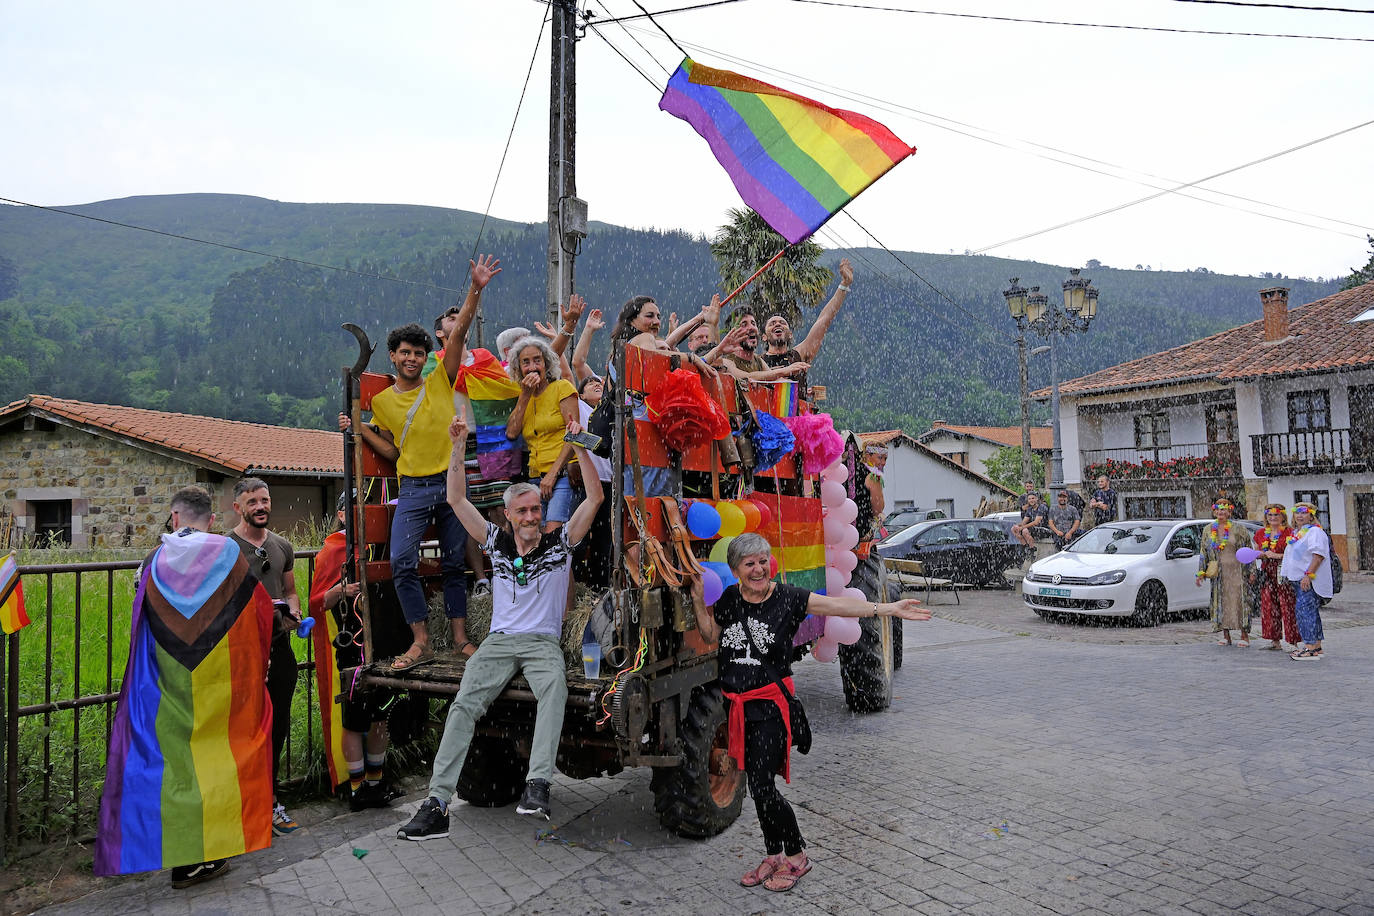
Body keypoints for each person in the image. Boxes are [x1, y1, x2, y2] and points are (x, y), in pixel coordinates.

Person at [396, 413, 603, 839]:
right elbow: (456, 500)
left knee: (554, 690)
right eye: (522, 510)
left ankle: (538, 784)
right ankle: (437, 804)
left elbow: (595, 498)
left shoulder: (559, 543)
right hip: (499, 642)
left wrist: (578, 446)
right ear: (508, 515)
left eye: (535, 509)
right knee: (464, 703)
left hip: (543, 643)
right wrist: (456, 446)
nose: (530, 516)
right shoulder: (495, 542)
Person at [690, 532, 929, 893]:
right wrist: (697, 602)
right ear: (736, 569)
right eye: (749, 563)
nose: (758, 568)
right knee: (758, 788)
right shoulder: (728, 600)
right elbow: (711, 635)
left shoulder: (787, 598)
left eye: (762, 561)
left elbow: (837, 606)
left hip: (771, 708)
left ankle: (798, 856)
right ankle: (773, 855)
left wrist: (887, 609)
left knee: (763, 786)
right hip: (738, 709)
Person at [94, 486, 273, 888]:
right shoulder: (229, 554)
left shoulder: (152, 560)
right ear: (211, 520)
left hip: (166, 679)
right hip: (218, 681)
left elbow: (138, 614)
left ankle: (180, 856)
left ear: (174, 518)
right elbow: (257, 610)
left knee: (171, 763)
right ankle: (209, 850)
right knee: (215, 757)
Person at [349, 254, 501, 670]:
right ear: (393, 358)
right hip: (413, 488)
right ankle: (420, 641)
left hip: (452, 486)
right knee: (401, 561)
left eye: (419, 351)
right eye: (404, 353)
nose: (413, 358)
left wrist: (476, 289)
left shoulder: (441, 378)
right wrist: (360, 428)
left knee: (455, 562)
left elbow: (461, 332)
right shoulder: (380, 402)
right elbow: (393, 452)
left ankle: (458, 639)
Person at [308, 491, 398, 811]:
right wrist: (341, 590)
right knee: (353, 719)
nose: (363, 517)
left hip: (382, 644)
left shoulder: (383, 544)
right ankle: (357, 788)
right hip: (352, 644)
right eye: (356, 511)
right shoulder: (333, 549)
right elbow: (317, 603)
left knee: (380, 716)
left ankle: (376, 781)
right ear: (343, 515)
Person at [227, 476, 304, 836]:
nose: (260, 507)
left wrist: (294, 614)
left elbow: (290, 591)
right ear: (237, 507)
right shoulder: (224, 548)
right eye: (252, 502)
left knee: (277, 727)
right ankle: (239, 807)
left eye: (265, 500)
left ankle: (270, 803)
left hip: (279, 649)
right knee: (240, 731)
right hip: (241, 655)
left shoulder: (283, 546)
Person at [504, 334, 581, 532]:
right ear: (518, 369)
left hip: (563, 474)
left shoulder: (562, 388)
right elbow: (512, 433)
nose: (532, 367)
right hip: (535, 477)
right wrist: (525, 395)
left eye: (537, 360)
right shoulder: (524, 396)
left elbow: (574, 435)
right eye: (526, 362)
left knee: (554, 534)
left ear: (546, 364)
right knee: (534, 535)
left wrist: (553, 474)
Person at [760, 257, 853, 394]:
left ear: (790, 334)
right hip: (764, 414)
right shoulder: (757, 362)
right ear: (764, 337)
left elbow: (824, 320)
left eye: (782, 323)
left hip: (797, 415)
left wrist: (844, 285)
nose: (778, 324)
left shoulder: (799, 354)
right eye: (772, 323)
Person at [1280, 502, 1332, 660]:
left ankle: (1309, 647)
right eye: (1297, 512)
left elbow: (1318, 555)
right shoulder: (1299, 532)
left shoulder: (1315, 532)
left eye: (1304, 512)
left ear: (1311, 515)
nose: (1300, 515)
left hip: (1307, 580)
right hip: (1298, 580)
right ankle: (1316, 646)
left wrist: (1308, 575)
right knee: (1311, 612)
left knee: (1304, 612)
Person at [1196, 498, 1251, 647]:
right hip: (1219, 573)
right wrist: (1201, 572)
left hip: (1237, 571)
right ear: (1214, 511)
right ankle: (1226, 635)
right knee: (1222, 603)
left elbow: (1247, 550)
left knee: (1239, 602)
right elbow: (1203, 551)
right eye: (1218, 509)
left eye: (1224, 509)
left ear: (1229, 511)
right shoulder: (1208, 529)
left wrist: (1251, 571)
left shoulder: (1239, 529)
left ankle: (1244, 635)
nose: (1221, 512)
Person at [1250, 504, 1299, 651]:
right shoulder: (1260, 533)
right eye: (1270, 515)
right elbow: (1256, 552)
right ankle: (1274, 640)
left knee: (1288, 606)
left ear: (1283, 516)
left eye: (1276, 515)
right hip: (1267, 574)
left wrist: (1278, 556)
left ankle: (1293, 641)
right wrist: (1261, 555)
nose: (1273, 518)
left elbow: (1296, 555)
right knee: (1269, 607)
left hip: (1284, 573)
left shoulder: (1290, 533)